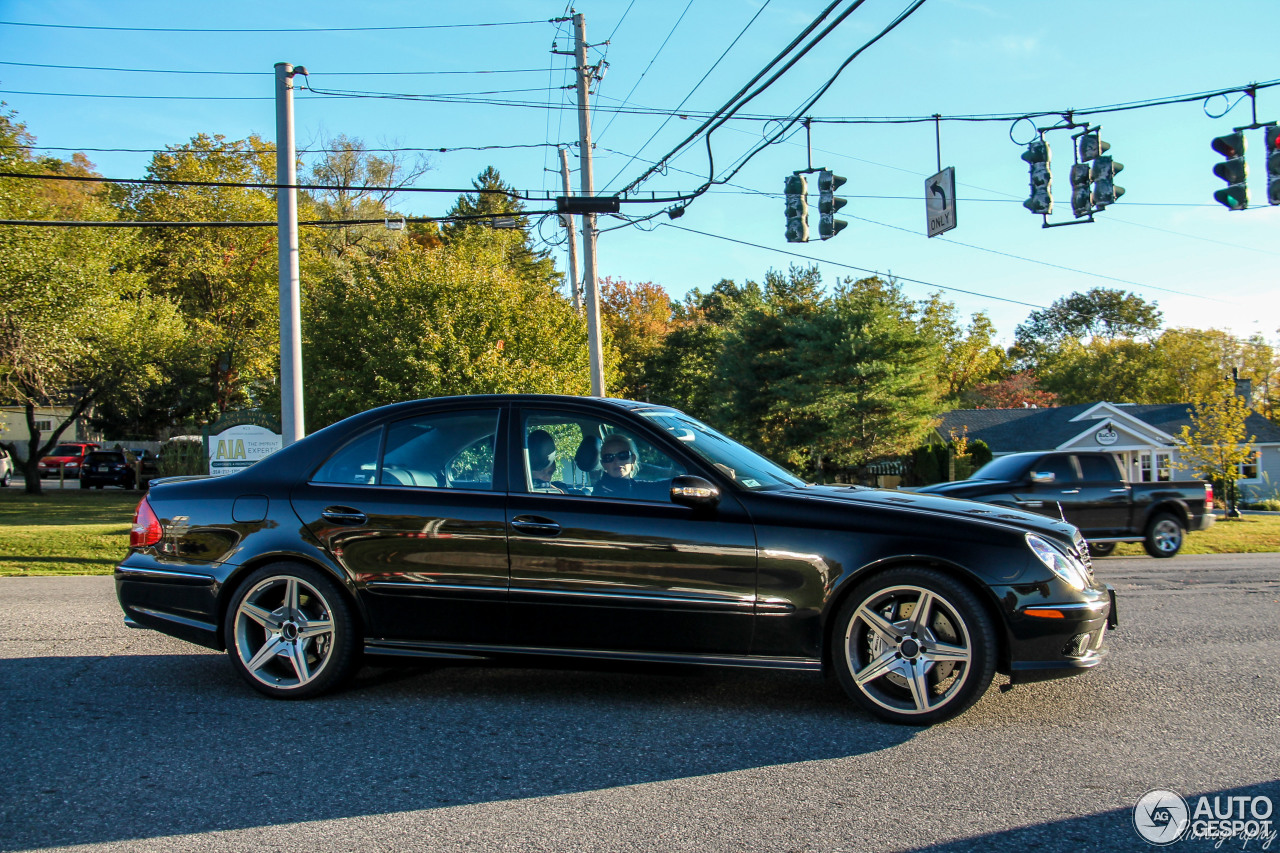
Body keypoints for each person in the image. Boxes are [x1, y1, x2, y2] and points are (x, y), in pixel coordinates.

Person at [592, 434, 640, 498]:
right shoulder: (602, 492)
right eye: (608, 457)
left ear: (633, 459)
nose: (617, 461)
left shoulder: (642, 487)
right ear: (603, 464)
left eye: (623, 455)